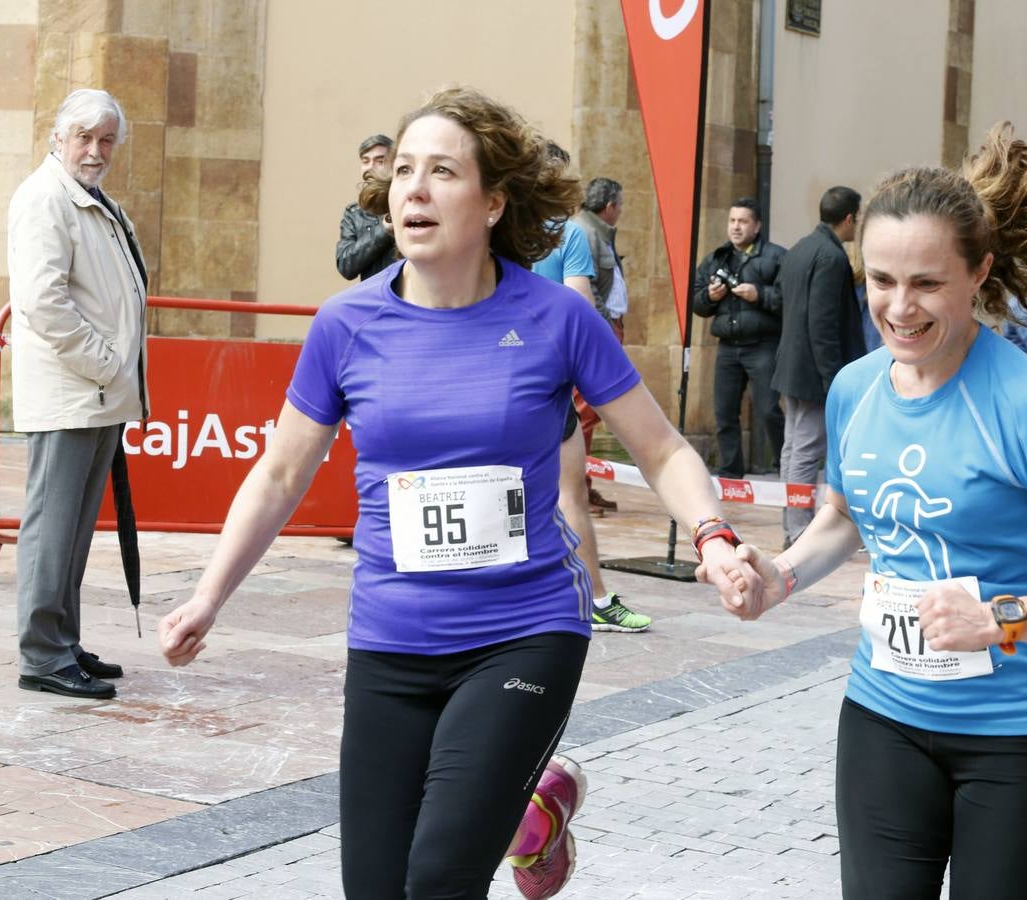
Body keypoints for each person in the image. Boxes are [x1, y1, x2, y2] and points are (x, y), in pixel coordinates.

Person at [157, 87, 757, 899]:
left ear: (492, 201)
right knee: (375, 888)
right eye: (405, 170)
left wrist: (715, 540)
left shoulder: (556, 318)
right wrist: (208, 596)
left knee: (439, 879)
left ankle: (509, 795)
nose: (414, 188)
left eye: (443, 171)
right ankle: (528, 802)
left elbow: (661, 447)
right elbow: (280, 473)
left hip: (525, 629)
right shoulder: (346, 325)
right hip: (391, 638)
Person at [713, 125, 1027, 899]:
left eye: (926, 282)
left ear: (979, 273)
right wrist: (777, 578)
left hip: (1017, 734)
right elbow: (846, 519)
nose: (899, 307)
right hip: (883, 715)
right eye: (881, 281)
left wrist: (1001, 617)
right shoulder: (855, 387)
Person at [8, 89, 147, 701]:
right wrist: (105, 364)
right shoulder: (45, 198)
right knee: (52, 527)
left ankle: (62, 639)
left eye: (106, 139)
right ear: (57, 138)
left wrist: (112, 374)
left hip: (96, 394)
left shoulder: (90, 199)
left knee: (75, 530)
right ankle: (42, 654)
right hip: (75, 392)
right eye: (84, 137)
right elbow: (44, 303)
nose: (96, 150)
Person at [532, 147, 652, 633]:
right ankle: (595, 597)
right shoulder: (569, 234)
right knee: (567, 494)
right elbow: (579, 310)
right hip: (545, 380)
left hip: (486, 379)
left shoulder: (485, 232)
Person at [772, 186, 865, 545]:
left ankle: (792, 524)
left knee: (793, 449)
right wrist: (833, 380)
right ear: (849, 218)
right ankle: (798, 530)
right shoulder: (831, 256)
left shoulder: (800, 248)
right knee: (806, 451)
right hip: (814, 371)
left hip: (794, 366)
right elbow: (823, 322)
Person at [690, 198, 788, 478]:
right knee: (724, 414)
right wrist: (709, 296)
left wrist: (760, 295)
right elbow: (696, 302)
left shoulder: (776, 257)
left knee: (769, 410)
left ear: (756, 226)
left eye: (743, 221)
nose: (736, 227)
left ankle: (786, 467)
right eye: (732, 221)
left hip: (763, 345)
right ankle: (730, 473)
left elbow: (789, 299)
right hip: (728, 347)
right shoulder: (716, 258)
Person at [572, 177, 627, 511]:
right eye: (620, 205)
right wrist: (605, 327)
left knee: (589, 414)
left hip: (608, 328)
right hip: (599, 332)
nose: (620, 211)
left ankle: (585, 485)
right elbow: (587, 288)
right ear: (609, 206)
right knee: (584, 414)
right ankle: (577, 488)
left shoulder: (596, 231)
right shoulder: (584, 232)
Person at [335, 134, 397, 281]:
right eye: (365, 161)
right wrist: (383, 230)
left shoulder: (407, 202)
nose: (370, 167)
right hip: (372, 298)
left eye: (380, 161)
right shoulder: (354, 213)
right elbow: (345, 265)